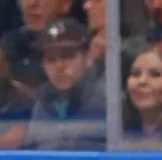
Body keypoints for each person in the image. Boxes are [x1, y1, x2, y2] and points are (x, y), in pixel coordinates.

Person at [22, 17, 106, 150]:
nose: (59, 66)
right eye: (51, 59)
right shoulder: (43, 100)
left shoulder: (106, 101)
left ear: (87, 58)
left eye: (68, 56)